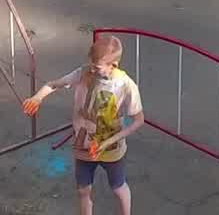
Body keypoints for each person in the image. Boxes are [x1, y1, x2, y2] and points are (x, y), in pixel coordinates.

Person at [22, 35, 144, 215]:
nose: (91, 70)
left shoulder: (125, 86)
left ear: (113, 65)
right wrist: (37, 97)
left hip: (112, 151)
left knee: (118, 187)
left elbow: (139, 120)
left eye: (97, 67)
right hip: (84, 148)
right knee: (83, 190)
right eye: (90, 64)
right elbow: (54, 84)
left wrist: (108, 142)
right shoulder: (83, 73)